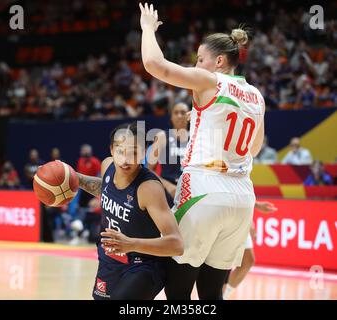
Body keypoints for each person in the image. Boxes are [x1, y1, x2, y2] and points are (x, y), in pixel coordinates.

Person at [139, 3, 265, 299]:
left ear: (219, 61)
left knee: (178, 290)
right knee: (212, 292)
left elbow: (154, 65)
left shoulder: (211, 80)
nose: (196, 66)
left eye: (200, 59)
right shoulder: (256, 95)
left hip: (204, 188)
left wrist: (146, 28)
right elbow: (255, 147)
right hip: (243, 196)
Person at [75, 122, 183, 300]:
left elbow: (177, 244)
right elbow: (108, 189)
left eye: (134, 152)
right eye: (120, 151)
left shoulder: (149, 188)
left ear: (143, 153)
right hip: (110, 259)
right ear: (111, 150)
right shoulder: (107, 166)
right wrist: (75, 177)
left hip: (143, 264)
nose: (126, 160)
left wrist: (132, 244)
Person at [223, 201, 278, 299]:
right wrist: (256, 205)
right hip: (227, 213)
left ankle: (224, 296)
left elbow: (243, 191)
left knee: (248, 261)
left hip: (241, 215)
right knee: (223, 265)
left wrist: (250, 220)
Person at [147, 102, 190, 204]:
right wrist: (168, 186)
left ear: (189, 117)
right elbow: (148, 170)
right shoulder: (162, 136)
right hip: (168, 189)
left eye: (183, 112)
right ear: (171, 117)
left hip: (191, 189)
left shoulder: (196, 138)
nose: (179, 116)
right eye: (176, 113)